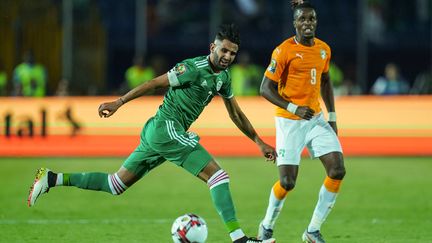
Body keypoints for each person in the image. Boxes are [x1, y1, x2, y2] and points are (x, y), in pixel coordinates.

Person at [27, 24, 276, 243]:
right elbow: (153, 83)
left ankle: (51, 179)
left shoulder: (223, 78)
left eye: (232, 53)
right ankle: (240, 240)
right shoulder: (192, 68)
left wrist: (258, 141)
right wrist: (119, 102)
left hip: (159, 133)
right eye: (224, 50)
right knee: (218, 177)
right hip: (166, 128)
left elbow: (236, 113)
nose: (228, 56)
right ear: (213, 46)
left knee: (116, 184)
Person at [256, 1, 346, 243]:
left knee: (337, 170)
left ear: (316, 21)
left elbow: (325, 80)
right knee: (287, 182)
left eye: (311, 19)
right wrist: (294, 107)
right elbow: (265, 88)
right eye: (302, 19)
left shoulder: (324, 49)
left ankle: (313, 231)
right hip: (289, 122)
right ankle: (266, 225)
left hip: (315, 119)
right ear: (294, 23)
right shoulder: (283, 51)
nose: (307, 23)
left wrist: (333, 116)